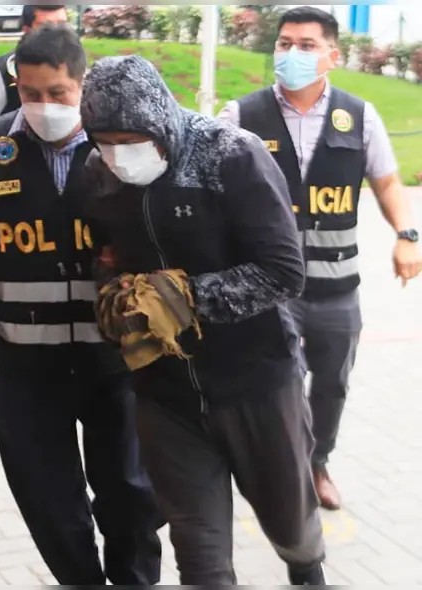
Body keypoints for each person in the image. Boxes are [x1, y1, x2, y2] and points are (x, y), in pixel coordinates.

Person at [80, 54, 327, 585]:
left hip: (257, 382)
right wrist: (112, 293)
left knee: (291, 525)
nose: (119, 155)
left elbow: (285, 272)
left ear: (161, 122)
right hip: (165, 394)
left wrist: (187, 298)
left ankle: (307, 569)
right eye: (105, 141)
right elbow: (105, 254)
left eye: (132, 140)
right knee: (199, 556)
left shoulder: (231, 154)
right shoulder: (98, 172)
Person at [0, 24, 162, 585]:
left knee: (132, 494)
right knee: (48, 503)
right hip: (26, 368)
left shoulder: (120, 143)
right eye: (30, 93)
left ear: (82, 84)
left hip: (116, 364)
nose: (44, 105)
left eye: (58, 92)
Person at [217, 5, 422, 510]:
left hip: (336, 289)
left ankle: (317, 462)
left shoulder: (360, 116)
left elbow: (387, 182)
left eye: (307, 46)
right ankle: (277, 467)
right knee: (271, 383)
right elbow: (208, 191)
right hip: (267, 289)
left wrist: (407, 233)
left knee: (331, 384)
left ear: (332, 55)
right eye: (285, 44)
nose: (293, 54)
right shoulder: (241, 117)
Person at [0, 5, 70, 132]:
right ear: (27, 31)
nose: (57, 35)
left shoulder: (77, 67)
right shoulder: (3, 72)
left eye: (62, 26)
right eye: (46, 28)